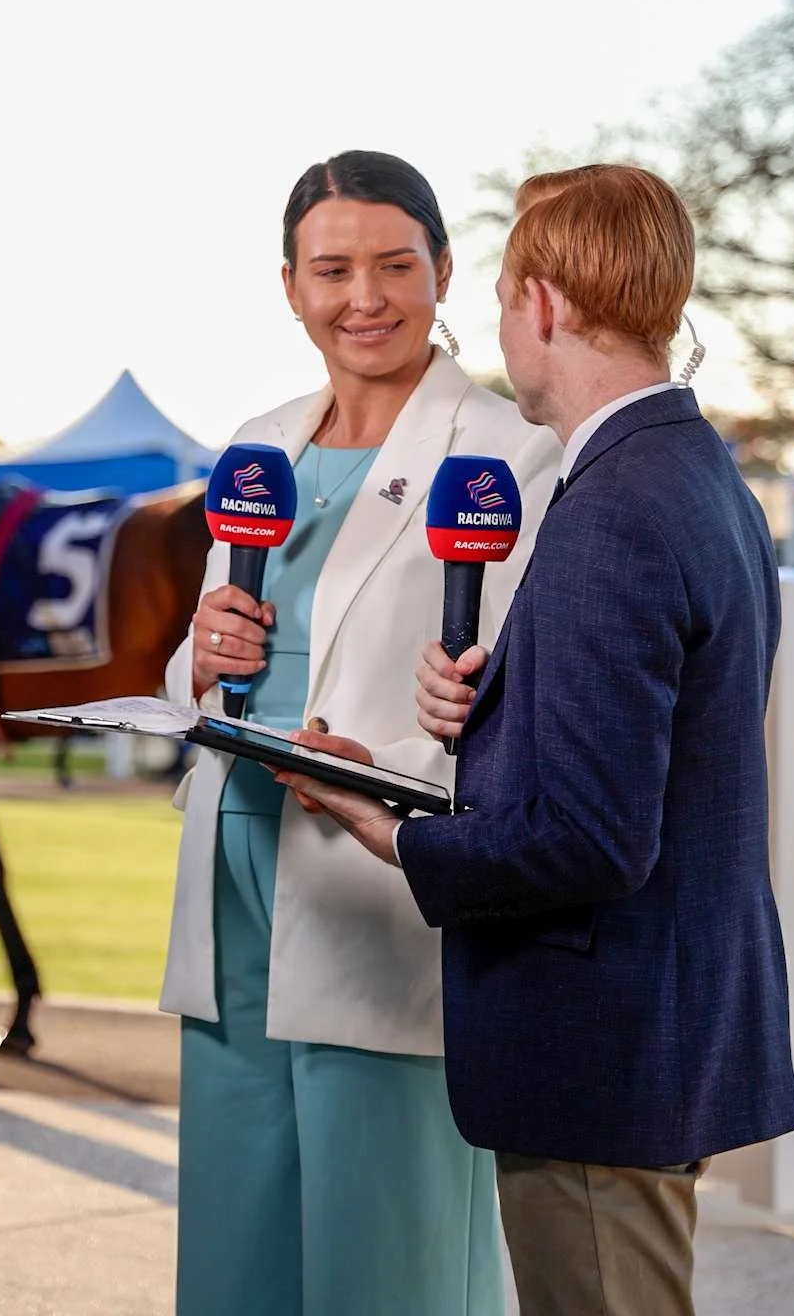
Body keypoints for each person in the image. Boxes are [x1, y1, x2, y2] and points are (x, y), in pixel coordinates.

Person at [278, 163, 794, 1316]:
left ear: (548, 303)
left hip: (599, 1052)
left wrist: (392, 832)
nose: (502, 329)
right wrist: (489, 723)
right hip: (659, 1024)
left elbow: (590, 842)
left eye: (507, 297)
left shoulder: (614, 506)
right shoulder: (693, 471)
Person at [160, 149, 562, 1316]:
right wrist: (205, 651)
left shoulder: (509, 450)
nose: (364, 297)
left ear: (444, 270)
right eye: (332, 270)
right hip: (233, 858)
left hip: (379, 869)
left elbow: (506, 692)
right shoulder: (260, 438)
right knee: (236, 1240)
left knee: (385, 1254)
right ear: (289, 285)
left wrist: (394, 788)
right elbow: (205, 666)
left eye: (396, 265)